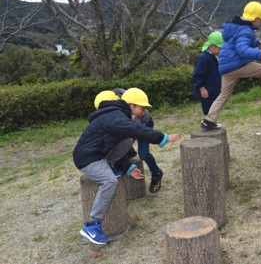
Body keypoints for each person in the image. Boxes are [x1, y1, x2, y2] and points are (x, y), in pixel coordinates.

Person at [73, 89, 182, 245]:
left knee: (126, 141)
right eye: (142, 108)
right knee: (110, 181)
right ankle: (91, 225)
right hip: (88, 159)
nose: (143, 112)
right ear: (131, 105)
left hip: (100, 155)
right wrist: (161, 138)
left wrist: (128, 168)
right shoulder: (116, 116)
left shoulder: (117, 114)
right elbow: (136, 130)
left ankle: (110, 167)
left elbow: (114, 147)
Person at [201, 1, 261, 130]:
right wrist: (259, 54)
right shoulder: (246, 31)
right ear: (255, 19)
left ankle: (208, 120)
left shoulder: (237, 27)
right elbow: (242, 49)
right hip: (235, 65)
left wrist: (256, 42)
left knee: (223, 95)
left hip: (225, 67)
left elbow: (239, 41)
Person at [113, 87, 164, 194]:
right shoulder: (116, 108)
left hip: (144, 125)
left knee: (143, 153)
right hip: (132, 126)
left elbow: (134, 131)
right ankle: (129, 153)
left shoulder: (135, 106)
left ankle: (156, 173)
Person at [192, 31, 224, 116]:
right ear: (212, 46)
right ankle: (208, 122)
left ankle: (212, 122)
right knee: (208, 111)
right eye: (220, 48)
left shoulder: (214, 57)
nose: (221, 51)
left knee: (214, 110)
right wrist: (202, 89)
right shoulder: (203, 58)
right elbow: (197, 75)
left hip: (213, 90)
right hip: (207, 91)